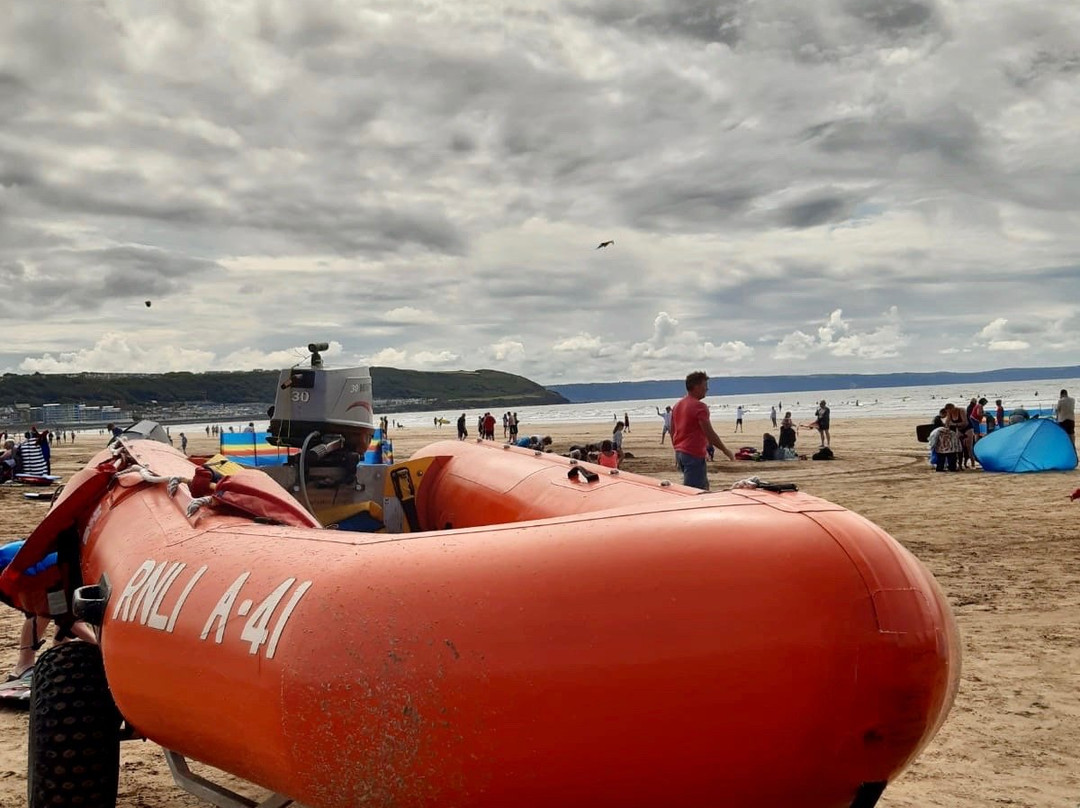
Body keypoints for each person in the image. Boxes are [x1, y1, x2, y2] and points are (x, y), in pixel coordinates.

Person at [670, 371, 735, 490]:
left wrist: (676, 448)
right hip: (692, 453)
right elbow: (709, 433)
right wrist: (726, 450)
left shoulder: (678, 405)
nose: (707, 389)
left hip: (681, 452)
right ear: (697, 386)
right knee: (696, 491)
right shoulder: (699, 406)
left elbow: (672, 429)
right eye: (705, 385)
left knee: (703, 486)